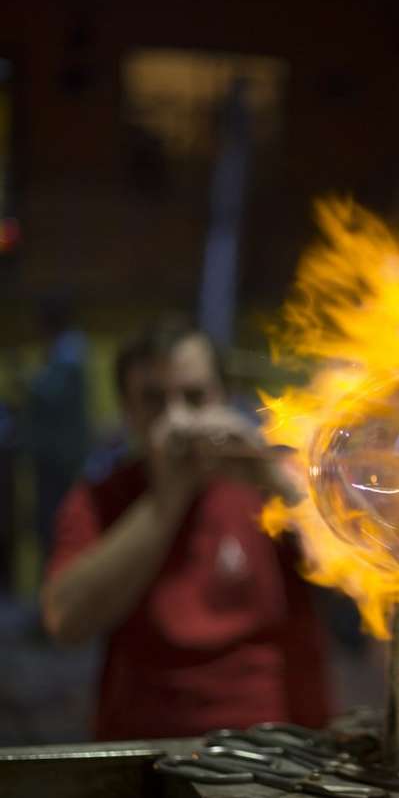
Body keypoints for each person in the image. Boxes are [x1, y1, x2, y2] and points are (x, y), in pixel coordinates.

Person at [41, 316, 330, 739]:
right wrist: (166, 498)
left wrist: (278, 480)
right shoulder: (103, 497)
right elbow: (65, 620)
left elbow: (359, 582)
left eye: (194, 397)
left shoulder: (265, 485)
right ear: (126, 411)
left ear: (224, 398)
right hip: (146, 745)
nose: (177, 419)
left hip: (274, 743)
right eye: (154, 401)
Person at [26, 290, 90, 563]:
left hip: (60, 455)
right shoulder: (64, 348)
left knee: (58, 523)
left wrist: (28, 380)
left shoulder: (69, 350)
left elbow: (51, 393)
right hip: (54, 453)